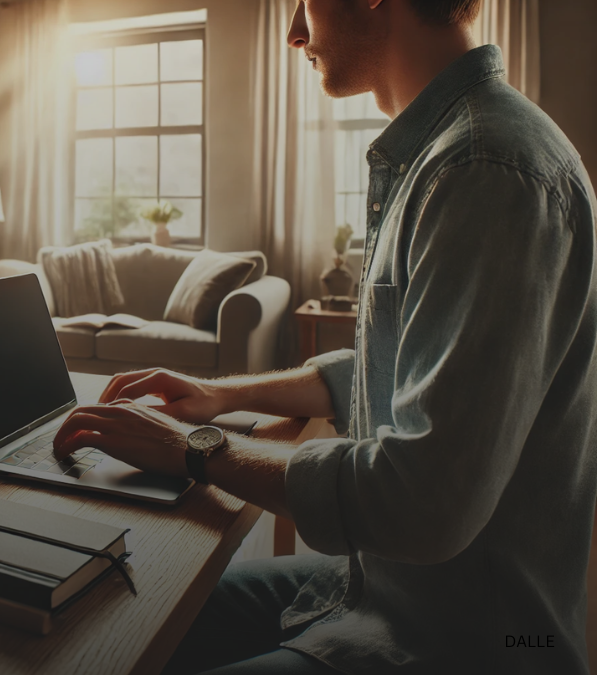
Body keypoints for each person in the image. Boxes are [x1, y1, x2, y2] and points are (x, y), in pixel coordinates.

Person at [52, 0, 597, 673]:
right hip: (374, 588)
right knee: (120, 610)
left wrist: (195, 448)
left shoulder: (484, 170)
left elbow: (423, 501)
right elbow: (384, 367)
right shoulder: (443, 154)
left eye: (303, 3)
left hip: (456, 640)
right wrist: (214, 395)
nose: (293, 33)